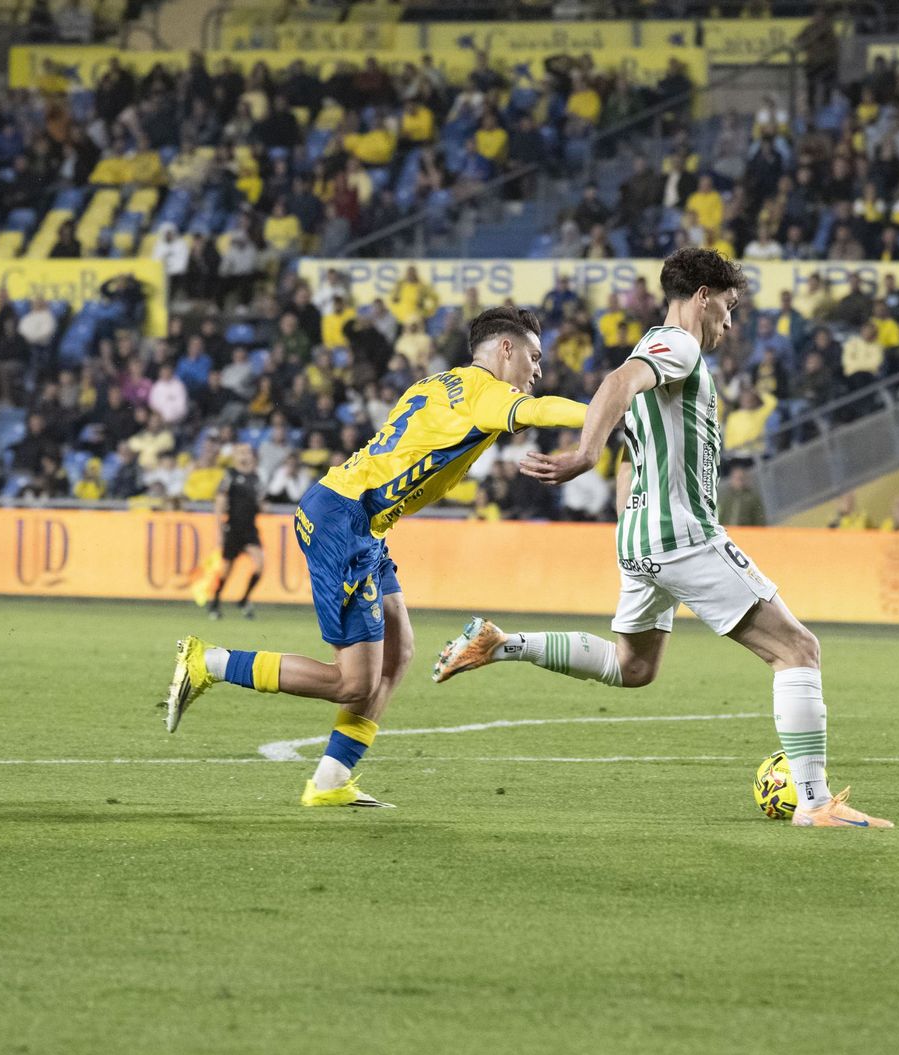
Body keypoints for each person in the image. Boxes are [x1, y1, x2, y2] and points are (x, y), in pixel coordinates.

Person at [432, 249, 893, 830]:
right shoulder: (679, 344)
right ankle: (814, 802)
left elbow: (634, 431)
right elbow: (617, 382)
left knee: (633, 668)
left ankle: (502, 644)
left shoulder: (662, 349)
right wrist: (583, 455)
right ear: (702, 296)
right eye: (727, 307)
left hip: (642, 539)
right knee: (797, 650)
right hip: (683, 534)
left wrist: (630, 506)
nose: (729, 322)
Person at [164, 307, 587, 808]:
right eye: (534, 357)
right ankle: (209, 661)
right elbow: (540, 412)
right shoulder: (485, 393)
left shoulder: (436, 384)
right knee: (351, 681)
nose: (537, 371)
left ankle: (329, 782)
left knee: (398, 650)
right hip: (344, 521)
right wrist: (613, 409)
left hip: (360, 519)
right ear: (506, 349)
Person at [202, 442, 265, 621]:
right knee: (226, 570)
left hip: (250, 529)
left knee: (260, 565)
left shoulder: (256, 478)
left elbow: (259, 503)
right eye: (241, 452)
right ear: (235, 456)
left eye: (248, 452)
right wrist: (220, 531)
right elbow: (220, 503)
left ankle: (244, 599)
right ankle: (215, 601)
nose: (245, 455)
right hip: (233, 528)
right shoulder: (229, 475)